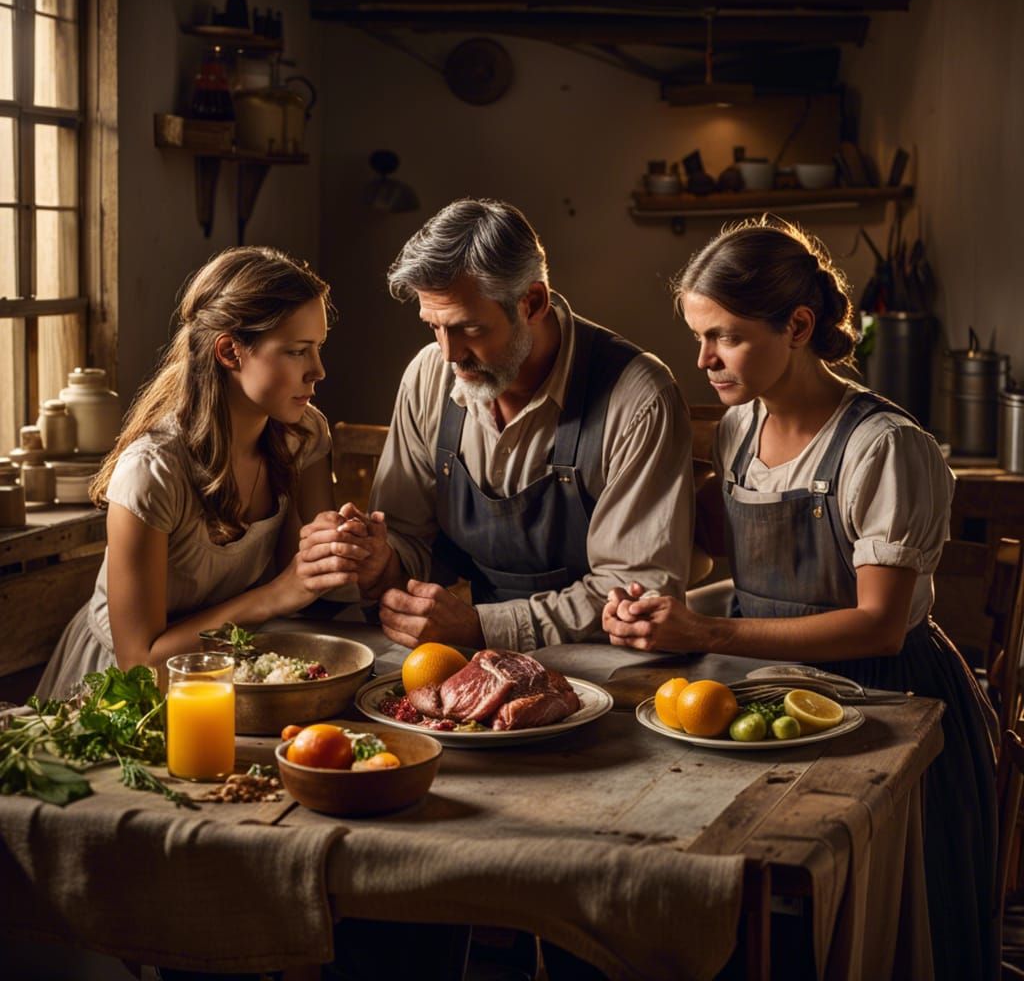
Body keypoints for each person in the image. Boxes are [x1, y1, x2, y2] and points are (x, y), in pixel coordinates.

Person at [603, 218, 998, 981]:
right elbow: (724, 555)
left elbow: (881, 628)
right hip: (763, 703)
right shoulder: (740, 427)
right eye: (696, 335)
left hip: (886, 706)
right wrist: (648, 601)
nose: (703, 360)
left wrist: (708, 626)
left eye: (725, 336)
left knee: (878, 934)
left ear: (798, 326)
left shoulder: (883, 447)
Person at [301, 197, 693, 653]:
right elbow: (411, 541)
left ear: (532, 302)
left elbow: (636, 589)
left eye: (470, 329)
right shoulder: (429, 376)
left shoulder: (638, 397)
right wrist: (379, 561)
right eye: (434, 327)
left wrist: (485, 628)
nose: (449, 354)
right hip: (470, 645)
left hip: (604, 655)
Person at [38, 247, 351, 698]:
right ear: (230, 351)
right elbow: (140, 666)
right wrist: (277, 594)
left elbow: (303, 574)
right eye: (297, 351)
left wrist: (344, 549)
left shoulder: (302, 435)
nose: (317, 371)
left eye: (318, 349)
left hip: (233, 669)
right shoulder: (151, 474)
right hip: (125, 692)